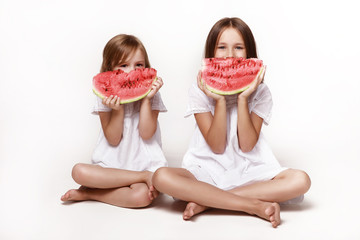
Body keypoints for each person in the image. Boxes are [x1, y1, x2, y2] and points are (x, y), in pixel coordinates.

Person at [151, 17, 311, 228]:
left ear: (249, 53)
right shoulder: (199, 90)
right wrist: (218, 99)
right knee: (161, 177)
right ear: (211, 53)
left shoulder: (260, 93)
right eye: (222, 47)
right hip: (205, 169)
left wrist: (244, 97)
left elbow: (247, 144)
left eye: (238, 48)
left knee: (301, 180)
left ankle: (208, 202)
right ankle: (252, 206)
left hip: (251, 169)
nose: (230, 55)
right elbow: (216, 146)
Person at [61, 34, 167, 208]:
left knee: (142, 197)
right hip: (111, 167)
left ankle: (89, 193)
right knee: (78, 171)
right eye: (123, 65)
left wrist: (147, 100)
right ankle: (142, 177)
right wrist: (118, 110)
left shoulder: (152, 95)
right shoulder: (104, 95)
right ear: (110, 69)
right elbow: (113, 138)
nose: (131, 71)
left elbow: (147, 133)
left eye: (138, 65)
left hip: (144, 165)